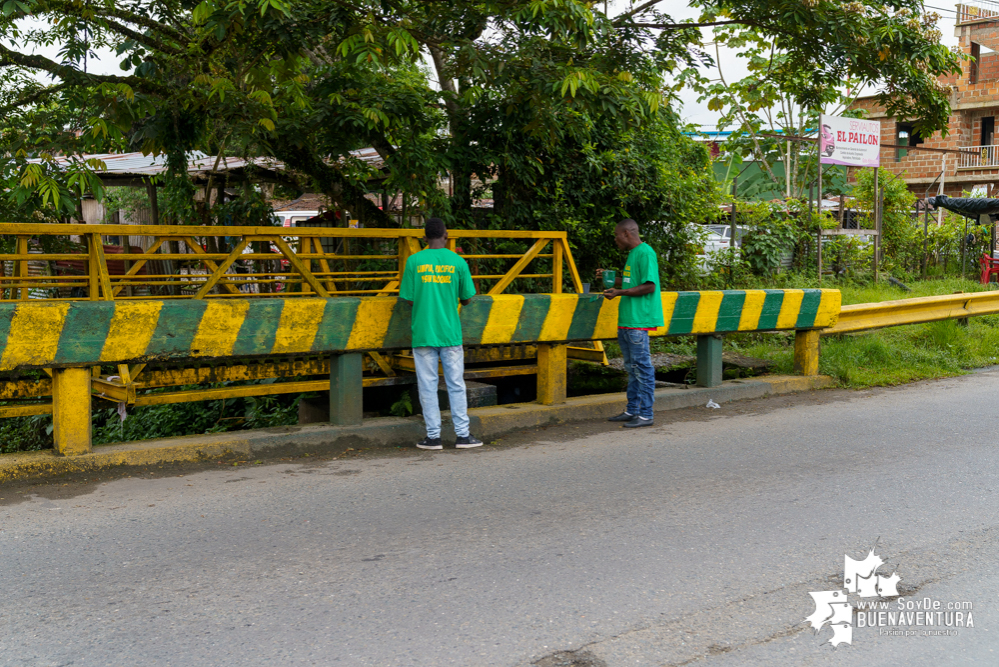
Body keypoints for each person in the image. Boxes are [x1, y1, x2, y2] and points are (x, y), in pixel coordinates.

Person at [399, 218, 483, 450]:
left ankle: (433, 437)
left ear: (425, 238)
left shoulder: (414, 261)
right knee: (456, 384)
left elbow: (407, 298)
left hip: (424, 333)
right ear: (446, 236)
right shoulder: (457, 262)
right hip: (450, 334)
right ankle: (463, 436)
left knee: (427, 385)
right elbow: (467, 299)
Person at [597, 218, 664, 428]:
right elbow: (631, 283)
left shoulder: (645, 253)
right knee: (632, 368)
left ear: (627, 233)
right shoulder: (633, 255)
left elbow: (649, 286)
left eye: (617, 235)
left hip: (638, 321)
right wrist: (612, 280)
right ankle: (632, 410)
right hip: (626, 321)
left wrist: (619, 293)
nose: (616, 239)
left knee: (642, 368)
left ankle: (646, 414)